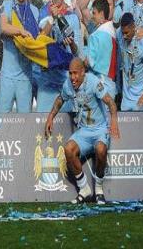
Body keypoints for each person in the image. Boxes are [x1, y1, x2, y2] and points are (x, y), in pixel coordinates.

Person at [44, 58, 119, 204]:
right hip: (84, 130)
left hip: (99, 129)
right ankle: (84, 189)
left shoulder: (93, 82)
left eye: (75, 73)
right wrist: (50, 117)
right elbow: (60, 99)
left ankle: (99, 189)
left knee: (101, 149)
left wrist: (114, 121)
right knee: (68, 149)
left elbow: (110, 102)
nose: (72, 78)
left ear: (83, 72)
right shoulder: (68, 84)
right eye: (70, 73)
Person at [35, 0, 83, 112]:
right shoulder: (43, 12)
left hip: (65, 81)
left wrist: (71, 44)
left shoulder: (72, 17)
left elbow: (77, 52)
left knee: (66, 122)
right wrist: (52, 17)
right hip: (47, 80)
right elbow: (40, 40)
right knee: (42, 120)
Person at [0, 0, 39, 113]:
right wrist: (21, 31)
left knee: (26, 122)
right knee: (2, 120)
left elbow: (37, 39)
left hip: (25, 76)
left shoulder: (34, 10)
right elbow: (4, 27)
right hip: (7, 76)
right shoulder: (6, 5)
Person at [117, 13, 143, 111]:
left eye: (126, 33)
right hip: (126, 97)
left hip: (141, 96)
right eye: (123, 33)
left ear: (133, 27)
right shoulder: (119, 34)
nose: (124, 36)